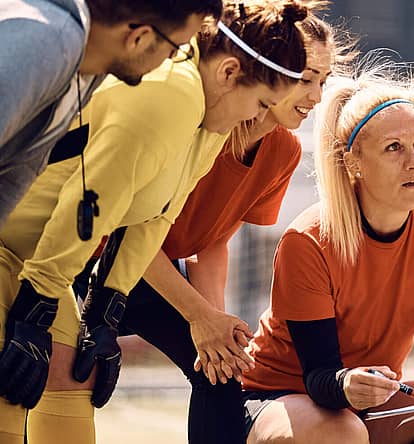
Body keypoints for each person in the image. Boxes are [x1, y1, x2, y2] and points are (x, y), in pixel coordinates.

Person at [0, 1, 316, 443]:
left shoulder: (212, 121)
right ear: (227, 73)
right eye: (261, 103)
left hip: (39, 257)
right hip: (15, 249)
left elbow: (155, 218)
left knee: (73, 377)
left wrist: (104, 308)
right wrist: (35, 311)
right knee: (12, 391)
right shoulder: (170, 95)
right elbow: (88, 204)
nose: (258, 119)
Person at [70, 8, 345, 442]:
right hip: (96, 264)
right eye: (306, 77)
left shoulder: (283, 151)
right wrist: (198, 316)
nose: (315, 94)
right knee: (58, 376)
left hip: (157, 273)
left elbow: (214, 240)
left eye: (323, 81)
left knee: (222, 368)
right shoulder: (203, 123)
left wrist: (213, 325)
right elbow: (132, 232)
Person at [241, 68, 414, 444]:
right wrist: (348, 383)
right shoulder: (309, 239)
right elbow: (320, 375)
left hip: (365, 400)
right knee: (344, 433)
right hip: (278, 396)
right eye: (393, 148)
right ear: (354, 163)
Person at [0, 0, 223, 227]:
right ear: (140, 38)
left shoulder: (88, 68)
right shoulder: (47, 42)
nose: (171, 59)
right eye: (175, 48)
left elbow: (15, 176)